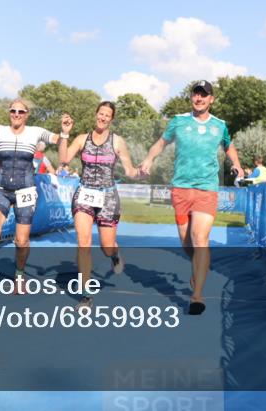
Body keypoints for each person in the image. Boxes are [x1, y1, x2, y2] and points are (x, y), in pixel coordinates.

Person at [139, 79, 243, 316]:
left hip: (207, 188)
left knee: (200, 237)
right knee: (187, 243)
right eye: (196, 94)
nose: (199, 98)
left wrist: (236, 164)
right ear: (191, 98)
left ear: (211, 99)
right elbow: (161, 143)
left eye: (204, 95)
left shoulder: (220, 125)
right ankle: (198, 265)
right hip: (181, 188)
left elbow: (229, 146)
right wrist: (148, 159)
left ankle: (197, 296)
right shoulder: (178, 121)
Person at [0, 82, 61, 301]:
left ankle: (20, 274)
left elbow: (59, 141)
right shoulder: (0, 130)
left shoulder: (36, 132)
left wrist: (65, 133)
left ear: (27, 115)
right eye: (13, 111)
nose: (16, 114)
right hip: (0, 189)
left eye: (21, 111)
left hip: (25, 190)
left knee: (21, 241)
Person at [59, 102, 142, 308]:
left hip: (107, 197)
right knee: (83, 241)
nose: (103, 117)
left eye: (107, 115)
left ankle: (114, 254)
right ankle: (86, 295)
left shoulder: (117, 142)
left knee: (106, 246)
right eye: (101, 113)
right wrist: (64, 133)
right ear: (96, 114)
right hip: (84, 194)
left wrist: (139, 173)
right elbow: (64, 159)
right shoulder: (81, 139)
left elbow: (130, 171)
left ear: (111, 119)